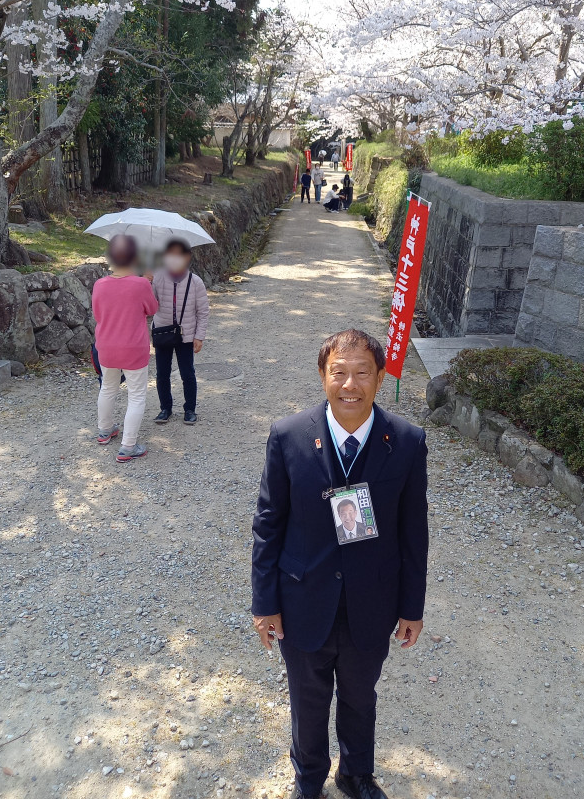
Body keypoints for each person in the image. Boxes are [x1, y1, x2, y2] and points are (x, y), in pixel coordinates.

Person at [251, 329, 428, 799]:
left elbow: (414, 532)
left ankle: (355, 774)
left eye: (362, 373)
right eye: (339, 373)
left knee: (360, 697)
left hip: (372, 601)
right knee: (307, 702)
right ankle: (308, 779)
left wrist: (412, 607)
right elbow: (268, 524)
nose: (350, 385)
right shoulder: (288, 437)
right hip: (302, 599)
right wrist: (265, 603)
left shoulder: (407, 442)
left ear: (380, 376)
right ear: (322, 376)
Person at [92, 234, 158, 462]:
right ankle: (128, 446)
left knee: (108, 388)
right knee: (136, 395)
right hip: (133, 349)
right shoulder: (140, 284)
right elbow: (152, 309)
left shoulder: (99, 285)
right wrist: (147, 281)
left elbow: (98, 314)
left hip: (106, 347)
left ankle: (104, 430)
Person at [150, 240, 209, 425]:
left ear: (187, 257)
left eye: (179, 255)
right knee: (162, 373)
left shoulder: (195, 282)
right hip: (162, 332)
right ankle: (165, 408)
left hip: (186, 334)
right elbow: (150, 306)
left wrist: (199, 336)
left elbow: (203, 311)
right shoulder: (158, 277)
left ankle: (190, 409)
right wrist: (147, 283)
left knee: (187, 373)